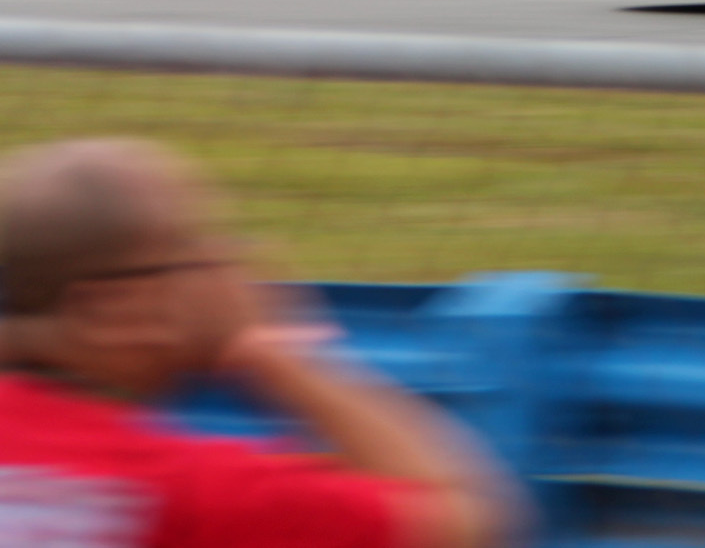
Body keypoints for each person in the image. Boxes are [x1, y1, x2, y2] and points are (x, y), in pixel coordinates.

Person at [0, 138, 519, 547]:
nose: (232, 274)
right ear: (115, 310)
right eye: (197, 257)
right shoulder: (190, 492)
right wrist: (273, 356)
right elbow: (466, 520)